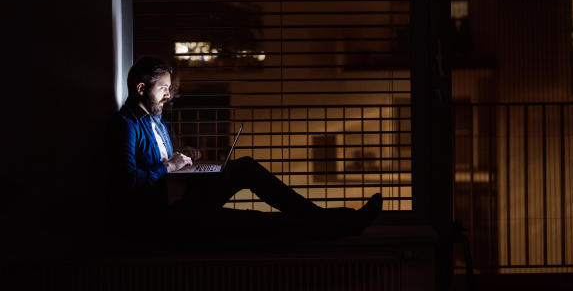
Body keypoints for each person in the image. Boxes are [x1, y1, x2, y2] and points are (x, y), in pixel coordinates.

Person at [106, 56, 382, 243]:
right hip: (167, 215)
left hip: (185, 194)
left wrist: (186, 157)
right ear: (142, 88)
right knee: (254, 222)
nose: (169, 95)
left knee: (245, 166)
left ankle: (328, 216)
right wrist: (169, 166)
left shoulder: (157, 119)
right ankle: (342, 226)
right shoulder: (126, 124)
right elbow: (127, 181)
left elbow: (164, 162)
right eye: (163, 88)